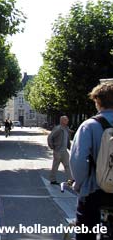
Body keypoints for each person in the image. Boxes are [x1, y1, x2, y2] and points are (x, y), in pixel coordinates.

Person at [70, 82, 113, 240]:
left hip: (94, 191)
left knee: (85, 231)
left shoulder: (89, 126)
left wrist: (79, 184)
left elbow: (78, 159)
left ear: (98, 101)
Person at [47, 115, 73, 185]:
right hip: (58, 151)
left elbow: (68, 138)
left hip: (64, 151)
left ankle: (70, 180)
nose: (68, 121)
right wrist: (52, 147)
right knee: (55, 166)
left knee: (67, 165)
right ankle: (52, 180)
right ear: (62, 121)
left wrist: (69, 146)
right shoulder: (58, 129)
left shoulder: (66, 128)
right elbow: (50, 137)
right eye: (66, 120)